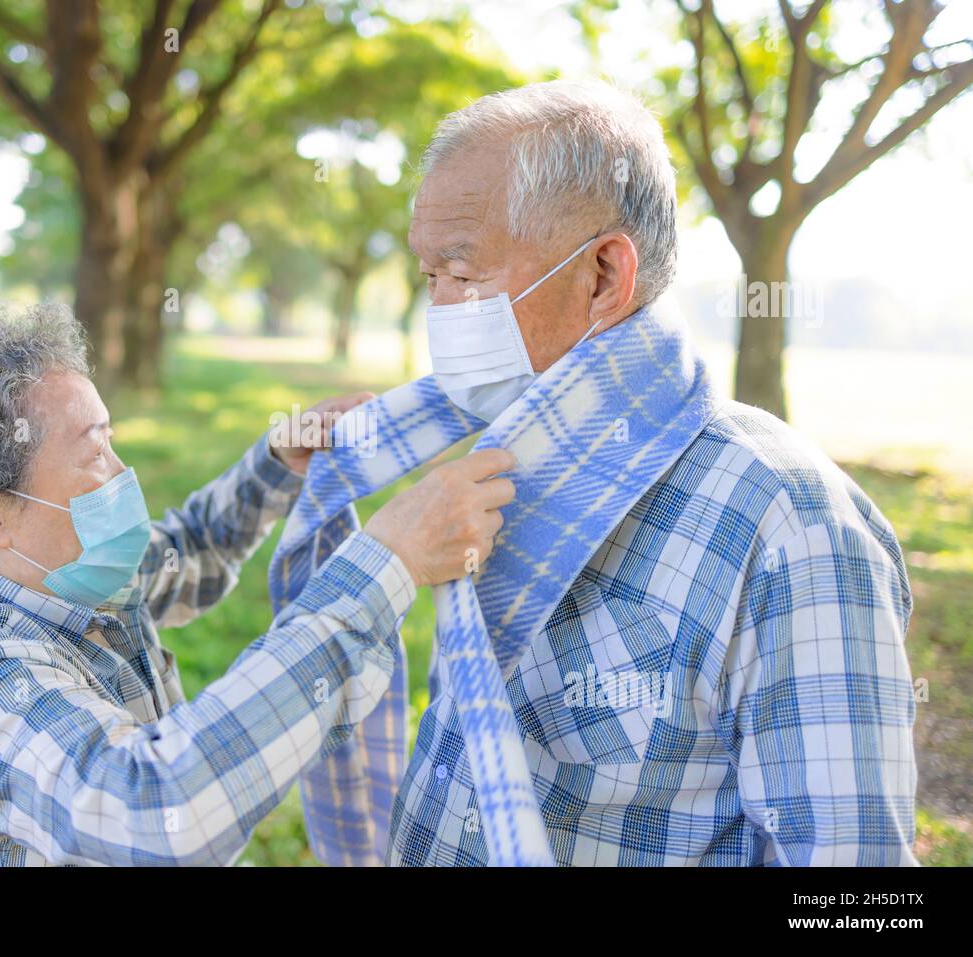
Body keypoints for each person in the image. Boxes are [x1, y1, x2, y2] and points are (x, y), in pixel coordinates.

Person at [373, 80, 917, 866]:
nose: (441, 310)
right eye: (430, 279)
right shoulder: (503, 465)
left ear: (601, 276)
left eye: (462, 275)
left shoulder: (791, 530)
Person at [0, 303, 515, 865]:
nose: (120, 470)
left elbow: (190, 549)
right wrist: (387, 564)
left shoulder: (59, 569)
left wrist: (280, 461)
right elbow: (160, 808)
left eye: (111, 438)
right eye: (91, 452)